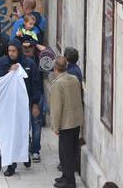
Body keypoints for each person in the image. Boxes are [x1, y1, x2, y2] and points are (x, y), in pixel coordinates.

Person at [0, 39, 42, 176]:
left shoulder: (29, 64)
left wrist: (35, 104)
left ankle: (25, 153)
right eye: (9, 51)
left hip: (24, 105)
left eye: (14, 51)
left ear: (19, 51)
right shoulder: (2, 63)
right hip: (7, 105)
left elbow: (37, 85)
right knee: (10, 133)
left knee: (23, 131)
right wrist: (8, 71)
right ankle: (11, 165)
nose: (11, 53)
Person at [50, 57, 84, 188]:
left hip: (65, 123)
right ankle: (65, 175)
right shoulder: (74, 79)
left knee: (66, 153)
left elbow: (56, 108)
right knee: (71, 150)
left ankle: (69, 181)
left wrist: (55, 126)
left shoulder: (57, 83)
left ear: (55, 68)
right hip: (75, 121)